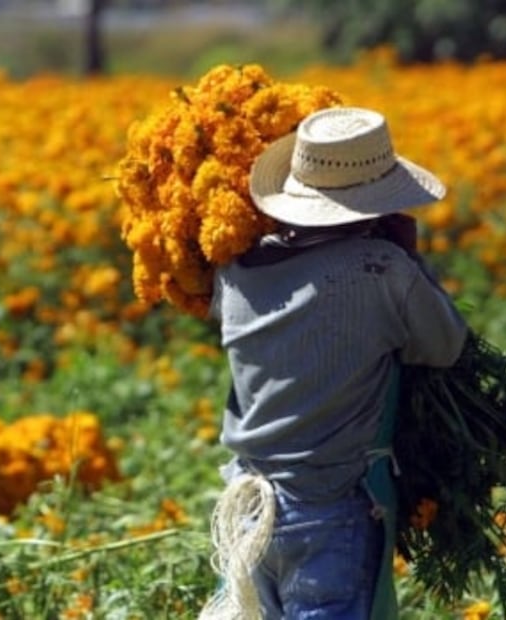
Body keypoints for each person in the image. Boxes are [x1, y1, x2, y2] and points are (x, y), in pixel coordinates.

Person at [200, 107, 469, 620]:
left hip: (246, 507)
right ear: (376, 206)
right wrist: (411, 259)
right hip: (328, 511)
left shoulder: (233, 271)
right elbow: (445, 345)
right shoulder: (379, 269)